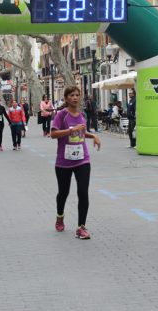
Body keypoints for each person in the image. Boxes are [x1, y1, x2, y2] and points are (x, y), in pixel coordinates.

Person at [50, 86, 101, 240]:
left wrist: (93, 136)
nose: (75, 98)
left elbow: (81, 132)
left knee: (83, 192)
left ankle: (81, 227)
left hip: (82, 159)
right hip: (64, 161)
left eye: (77, 95)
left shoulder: (82, 115)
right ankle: (60, 215)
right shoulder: (61, 115)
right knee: (63, 193)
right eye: (72, 95)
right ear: (66, 98)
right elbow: (53, 134)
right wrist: (71, 130)